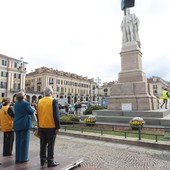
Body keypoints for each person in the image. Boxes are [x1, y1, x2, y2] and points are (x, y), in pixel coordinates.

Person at [37, 86, 60, 167]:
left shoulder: (39, 101)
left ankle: (42, 160)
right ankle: (50, 161)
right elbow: (56, 115)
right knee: (50, 145)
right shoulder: (54, 100)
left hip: (42, 126)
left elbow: (38, 114)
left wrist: (39, 126)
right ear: (51, 93)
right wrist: (58, 127)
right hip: (51, 126)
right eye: (52, 92)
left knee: (42, 144)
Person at [13, 91, 35, 163]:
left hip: (17, 124)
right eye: (25, 95)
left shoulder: (16, 103)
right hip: (24, 124)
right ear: (23, 96)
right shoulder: (26, 103)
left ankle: (18, 157)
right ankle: (23, 158)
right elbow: (32, 111)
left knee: (18, 141)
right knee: (24, 142)